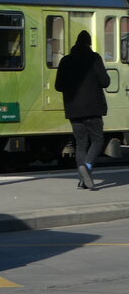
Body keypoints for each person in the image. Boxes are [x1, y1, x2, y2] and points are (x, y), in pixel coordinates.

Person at [53, 30, 110, 190]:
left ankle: (82, 181)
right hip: (93, 109)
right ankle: (87, 166)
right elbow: (105, 82)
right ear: (89, 44)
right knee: (98, 140)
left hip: (74, 110)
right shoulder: (94, 58)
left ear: (76, 44)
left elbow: (58, 86)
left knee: (81, 144)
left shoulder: (66, 60)